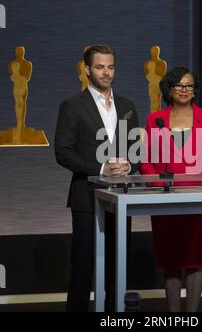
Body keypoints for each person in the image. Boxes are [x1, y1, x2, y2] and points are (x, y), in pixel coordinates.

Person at [140, 67, 202, 312]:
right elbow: (146, 159)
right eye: (179, 85)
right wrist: (155, 183)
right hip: (165, 197)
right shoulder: (155, 119)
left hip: (197, 197)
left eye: (189, 86)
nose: (184, 90)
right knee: (170, 260)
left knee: (194, 260)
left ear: (195, 91)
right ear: (169, 90)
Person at [55, 45, 140, 312]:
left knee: (117, 267)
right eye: (100, 66)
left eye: (111, 66)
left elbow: (135, 151)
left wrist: (130, 165)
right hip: (86, 198)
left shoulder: (127, 105)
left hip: (121, 199)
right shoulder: (71, 105)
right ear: (86, 69)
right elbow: (63, 152)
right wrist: (101, 168)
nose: (106, 72)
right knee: (82, 267)